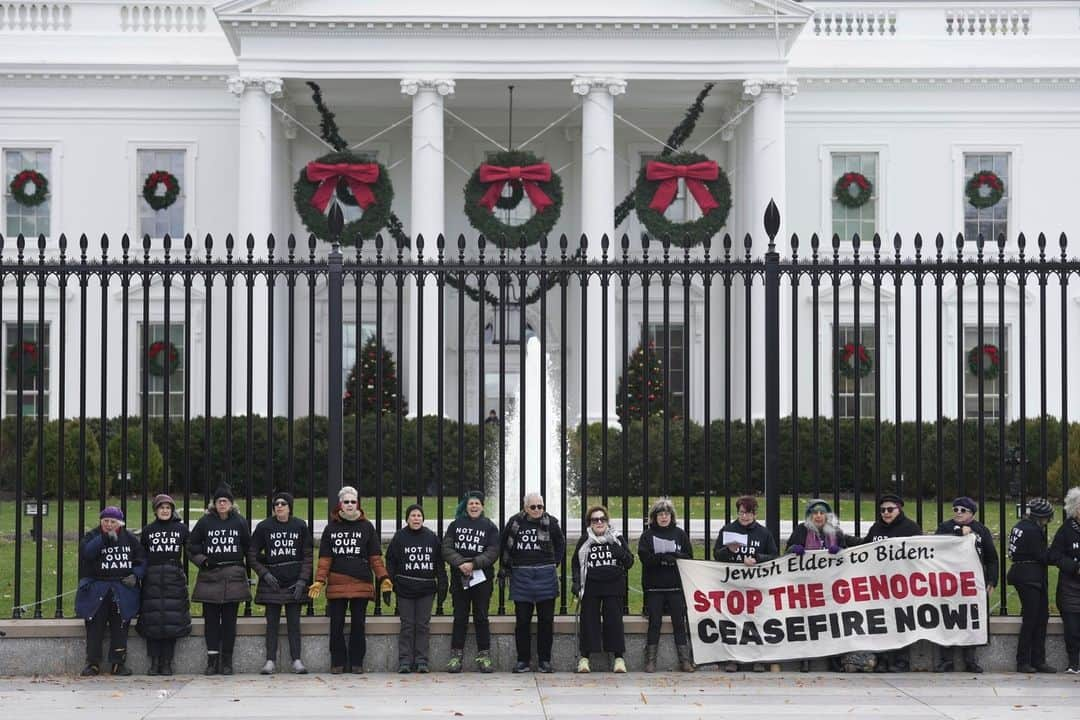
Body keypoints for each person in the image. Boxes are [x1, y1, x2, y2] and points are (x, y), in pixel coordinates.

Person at [308, 485, 391, 674]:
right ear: (340, 505)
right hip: (337, 583)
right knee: (336, 624)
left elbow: (375, 557)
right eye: (346, 502)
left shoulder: (367, 527)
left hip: (361, 582)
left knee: (358, 624)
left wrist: (383, 577)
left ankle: (356, 662)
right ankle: (337, 662)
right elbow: (325, 559)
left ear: (358, 504)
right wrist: (320, 580)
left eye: (353, 501)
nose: (350, 505)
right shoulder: (331, 528)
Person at [188, 485, 251, 675]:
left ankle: (227, 661)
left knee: (230, 621)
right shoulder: (205, 522)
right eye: (219, 501)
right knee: (211, 621)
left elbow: (248, 547)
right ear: (214, 504)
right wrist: (203, 561)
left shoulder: (240, 522)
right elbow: (192, 547)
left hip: (234, 576)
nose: (222, 504)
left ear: (231, 504)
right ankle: (212, 660)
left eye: (225, 501)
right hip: (210, 576)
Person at [248, 491, 313, 675]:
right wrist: (264, 573)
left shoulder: (300, 526)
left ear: (289, 507)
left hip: (294, 582)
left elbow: (308, 557)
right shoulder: (264, 527)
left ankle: (297, 660)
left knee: (294, 622)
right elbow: (252, 555)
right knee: (272, 623)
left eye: (283, 503)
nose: (279, 506)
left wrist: (302, 580)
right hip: (272, 583)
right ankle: (270, 660)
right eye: (276, 504)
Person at [500, 491, 565, 673]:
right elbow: (504, 543)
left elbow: (560, 543)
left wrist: (555, 562)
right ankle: (523, 660)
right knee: (522, 621)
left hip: (545, 574)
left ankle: (545, 660)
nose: (537, 510)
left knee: (546, 620)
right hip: (522, 575)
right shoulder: (515, 522)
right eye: (533, 507)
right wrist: (508, 565)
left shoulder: (550, 523)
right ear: (525, 507)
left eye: (540, 506)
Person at [77, 506, 146, 676]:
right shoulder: (92, 536)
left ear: (120, 523)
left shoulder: (130, 539)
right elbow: (87, 553)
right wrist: (104, 539)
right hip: (97, 588)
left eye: (113, 522)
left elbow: (142, 560)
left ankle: (118, 662)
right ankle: (92, 663)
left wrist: (135, 575)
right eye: (105, 521)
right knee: (94, 626)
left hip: (121, 589)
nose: (109, 524)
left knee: (120, 626)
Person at [713, 496, 779, 672]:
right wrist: (729, 550)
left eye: (748, 513)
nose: (744, 517)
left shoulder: (763, 533)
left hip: (755, 585)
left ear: (755, 514)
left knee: (755, 621)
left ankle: (757, 659)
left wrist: (757, 558)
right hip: (733, 585)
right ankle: (732, 659)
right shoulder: (728, 530)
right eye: (742, 513)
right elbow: (716, 555)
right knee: (733, 621)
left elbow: (774, 556)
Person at [858, 493, 922, 672]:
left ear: (899, 509)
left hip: (903, 583)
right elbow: (865, 548)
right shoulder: (876, 528)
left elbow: (921, 553)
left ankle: (902, 660)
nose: (886, 513)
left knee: (902, 621)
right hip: (880, 584)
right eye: (883, 510)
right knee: (881, 621)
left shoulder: (910, 528)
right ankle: (883, 659)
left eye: (890, 509)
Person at [933, 496, 998, 673]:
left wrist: (992, 580)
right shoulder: (945, 527)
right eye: (956, 509)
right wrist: (958, 535)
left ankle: (970, 660)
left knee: (971, 618)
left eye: (963, 510)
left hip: (972, 582)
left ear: (972, 514)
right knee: (947, 618)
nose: (958, 513)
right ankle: (946, 660)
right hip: (949, 580)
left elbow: (991, 558)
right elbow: (937, 548)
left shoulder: (981, 530)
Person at [786, 498, 848, 672]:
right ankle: (805, 659)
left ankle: (834, 659)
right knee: (807, 621)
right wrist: (794, 550)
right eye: (815, 513)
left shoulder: (835, 532)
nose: (819, 516)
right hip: (807, 584)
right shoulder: (801, 530)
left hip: (830, 584)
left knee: (832, 622)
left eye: (822, 513)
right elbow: (787, 552)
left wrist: (839, 552)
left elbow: (848, 556)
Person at [442, 490, 500, 673]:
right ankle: (455, 656)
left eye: (477, 504)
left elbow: (493, 551)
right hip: (460, 576)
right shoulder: (455, 525)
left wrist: (473, 564)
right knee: (460, 616)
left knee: (481, 616)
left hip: (482, 577)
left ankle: (484, 655)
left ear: (482, 507)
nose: (474, 506)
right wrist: (461, 563)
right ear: (466, 507)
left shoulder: (489, 526)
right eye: (471, 504)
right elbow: (446, 547)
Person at [572, 505, 634, 673]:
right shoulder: (585, 540)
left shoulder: (617, 538)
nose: (599, 522)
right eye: (595, 520)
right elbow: (576, 564)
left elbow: (629, 561)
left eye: (602, 519)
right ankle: (585, 658)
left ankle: (618, 658)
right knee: (588, 622)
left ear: (607, 521)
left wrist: (619, 552)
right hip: (591, 586)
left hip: (613, 586)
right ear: (589, 523)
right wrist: (577, 583)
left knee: (614, 622)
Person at [386, 504, 447, 673]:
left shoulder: (431, 537)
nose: (416, 518)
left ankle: (422, 661)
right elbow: (390, 561)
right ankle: (405, 661)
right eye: (412, 515)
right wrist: (388, 583)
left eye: (419, 515)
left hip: (426, 589)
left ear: (423, 518)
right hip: (404, 588)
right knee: (407, 625)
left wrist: (442, 584)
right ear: (407, 519)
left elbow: (439, 564)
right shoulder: (400, 537)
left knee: (422, 625)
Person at [637, 497, 694, 673]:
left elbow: (689, 556)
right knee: (655, 623)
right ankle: (650, 660)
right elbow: (644, 557)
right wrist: (661, 557)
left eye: (666, 514)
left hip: (675, 587)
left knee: (679, 622)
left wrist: (675, 556)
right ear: (654, 517)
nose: (663, 517)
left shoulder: (679, 534)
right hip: (654, 587)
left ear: (671, 516)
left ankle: (685, 660)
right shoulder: (647, 535)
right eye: (660, 514)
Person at [137, 494, 190, 676]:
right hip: (152, 579)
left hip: (173, 579)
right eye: (161, 507)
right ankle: (154, 662)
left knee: (171, 621)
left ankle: (167, 662)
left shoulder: (181, 529)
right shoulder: (148, 531)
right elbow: (141, 555)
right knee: (152, 622)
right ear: (156, 510)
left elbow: (192, 550)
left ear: (172, 510)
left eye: (168, 507)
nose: (165, 510)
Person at [1007, 497, 1056, 673]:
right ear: (1041, 517)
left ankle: (1036, 660)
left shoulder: (1020, 526)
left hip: (1024, 575)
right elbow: (1042, 556)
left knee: (1040, 617)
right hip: (1030, 577)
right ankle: (1025, 661)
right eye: (1047, 518)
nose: (1048, 522)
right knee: (1033, 619)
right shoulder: (1034, 531)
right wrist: (1057, 553)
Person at [1049, 487, 1080, 674]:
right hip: (1070, 589)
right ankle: (1074, 663)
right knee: (1072, 630)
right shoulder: (1066, 530)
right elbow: (1054, 555)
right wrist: (1075, 567)